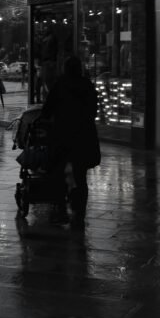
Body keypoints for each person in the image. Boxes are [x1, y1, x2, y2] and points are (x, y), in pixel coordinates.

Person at [42, 56, 100, 222]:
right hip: (83, 136)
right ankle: (80, 209)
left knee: (59, 170)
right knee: (81, 176)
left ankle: (61, 207)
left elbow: (47, 110)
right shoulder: (87, 86)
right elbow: (93, 111)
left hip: (63, 135)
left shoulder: (60, 86)